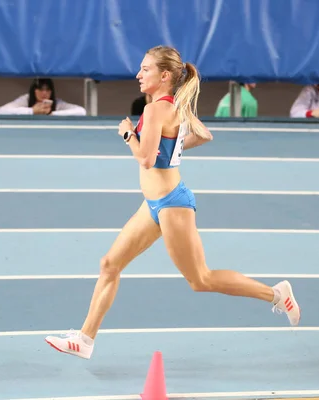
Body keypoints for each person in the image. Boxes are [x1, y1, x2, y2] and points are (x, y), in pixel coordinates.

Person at [44, 45, 301, 360]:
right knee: (109, 264)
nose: (138, 74)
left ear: (164, 75)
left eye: (145, 69)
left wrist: (127, 134)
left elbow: (146, 159)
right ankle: (85, 339)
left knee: (201, 279)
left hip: (171, 204)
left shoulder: (155, 110)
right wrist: (170, 149)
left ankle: (277, 294)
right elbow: (203, 135)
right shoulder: (171, 105)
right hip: (152, 204)